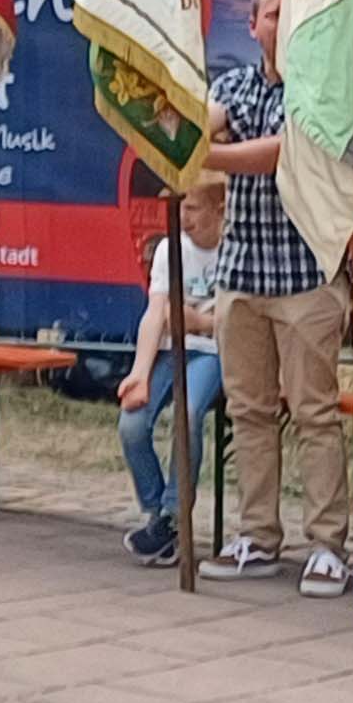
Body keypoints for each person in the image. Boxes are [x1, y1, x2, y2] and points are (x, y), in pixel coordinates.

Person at [201, 0, 352, 596]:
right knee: (249, 413)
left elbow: (280, 154)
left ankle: (327, 546)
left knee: (315, 414)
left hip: (305, 277)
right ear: (254, 27)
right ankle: (257, 537)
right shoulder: (233, 85)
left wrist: (204, 156)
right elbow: (201, 124)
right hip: (240, 276)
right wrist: (188, 134)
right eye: (270, 13)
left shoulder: (322, 92)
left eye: (292, 14)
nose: (280, 22)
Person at [116, 180, 225, 565]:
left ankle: (173, 519)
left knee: (189, 413)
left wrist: (199, 322)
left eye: (192, 208)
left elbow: (240, 318)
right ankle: (159, 517)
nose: (183, 217)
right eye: (179, 208)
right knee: (131, 423)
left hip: (214, 353)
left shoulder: (235, 249)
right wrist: (140, 372)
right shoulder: (169, 248)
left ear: (220, 209)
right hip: (169, 349)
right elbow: (156, 313)